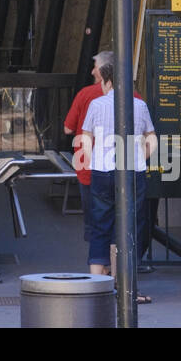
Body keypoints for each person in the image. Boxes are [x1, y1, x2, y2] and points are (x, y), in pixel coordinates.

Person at [79, 57, 156, 302]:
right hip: (132, 172)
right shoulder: (139, 106)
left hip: (102, 172)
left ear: (108, 81)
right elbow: (151, 139)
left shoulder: (96, 104)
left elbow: (85, 139)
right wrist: (140, 157)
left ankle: (95, 287)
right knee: (130, 225)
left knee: (100, 225)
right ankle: (124, 287)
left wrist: (93, 163)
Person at [63, 51, 109, 258]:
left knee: (93, 219)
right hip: (121, 165)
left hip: (88, 164)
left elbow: (67, 129)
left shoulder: (85, 95)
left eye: (96, 67)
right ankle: (117, 267)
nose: (92, 71)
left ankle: (97, 263)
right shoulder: (135, 96)